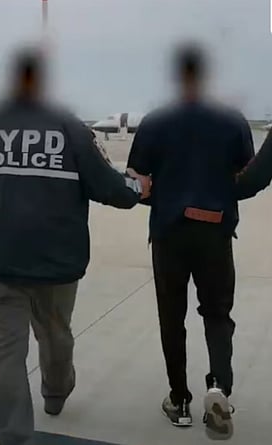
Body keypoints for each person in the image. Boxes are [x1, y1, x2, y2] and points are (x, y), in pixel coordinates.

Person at [0, 46, 150, 445]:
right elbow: (108, 186)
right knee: (56, 334)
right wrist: (136, 187)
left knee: (5, 350)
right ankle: (56, 392)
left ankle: (12, 436)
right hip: (56, 261)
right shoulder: (70, 128)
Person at [126, 42, 254, 439]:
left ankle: (179, 399)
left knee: (172, 317)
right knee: (217, 314)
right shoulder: (233, 120)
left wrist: (159, 193)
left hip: (169, 232)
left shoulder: (156, 120)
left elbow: (137, 181)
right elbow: (246, 176)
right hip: (215, 230)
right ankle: (218, 387)